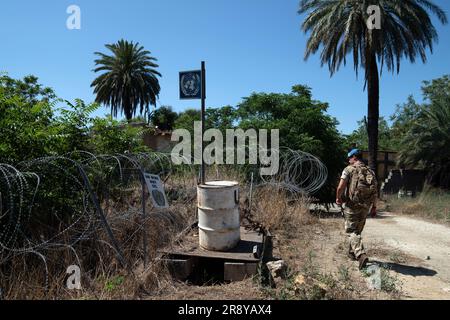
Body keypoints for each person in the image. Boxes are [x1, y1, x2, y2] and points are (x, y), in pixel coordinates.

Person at [336, 149, 378, 270]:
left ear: (354, 157)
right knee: (357, 231)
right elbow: (375, 192)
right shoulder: (371, 171)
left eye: (349, 158)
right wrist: (374, 207)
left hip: (352, 205)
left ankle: (360, 255)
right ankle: (352, 253)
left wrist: (338, 198)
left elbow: (340, 187)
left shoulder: (349, 169)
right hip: (366, 206)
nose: (349, 160)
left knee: (351, 231)